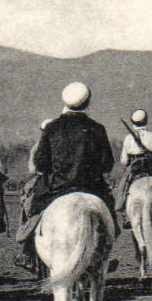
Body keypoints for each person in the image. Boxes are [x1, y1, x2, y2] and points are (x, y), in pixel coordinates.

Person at [15, 82, 114, 269]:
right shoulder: (97, 128)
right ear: (88, 102)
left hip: (56, 187)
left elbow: (41, 163)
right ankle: (105, 251)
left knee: (32, 209)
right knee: (110, 215)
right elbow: (107, 163)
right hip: (91, 187)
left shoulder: (52, 127)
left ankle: (27, 251)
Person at [115, 108, 152, 207]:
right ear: (146, 120)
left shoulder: (128, 138)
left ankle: (121, 208)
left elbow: (124, 161)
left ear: (133, 122)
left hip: (135, 168)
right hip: (150, 168)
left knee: (122, 189)